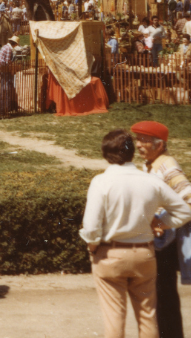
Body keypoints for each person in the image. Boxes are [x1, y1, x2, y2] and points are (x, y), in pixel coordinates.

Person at [81, 129, 191, 338]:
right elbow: (185, 210)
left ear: (105, 154)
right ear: (131, 153)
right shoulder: (151, 181)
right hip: (144, 254)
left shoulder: (101, 182)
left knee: (114, 318)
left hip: (110, 254)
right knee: (147, 316)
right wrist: (162, 223)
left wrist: (93, 246)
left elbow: (91, 226)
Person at [132, 121, 191, 338]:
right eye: (137, 139)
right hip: (158, 243)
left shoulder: (167, 166)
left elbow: (189, 199)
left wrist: (162, 222)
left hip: (164, 244)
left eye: (144, 140)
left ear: (160, 144)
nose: (138, 145)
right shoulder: (152, 164)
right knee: (160, 299)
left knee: (163, 298)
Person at [0, 36, 20, 115]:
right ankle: (4, 106)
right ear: (14, 44)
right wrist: (11, 70)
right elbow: (7, 61)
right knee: (6, 86)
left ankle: (3, 105)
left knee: (5, 85)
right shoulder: (9, 49)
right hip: (3, 68)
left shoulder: (5, 46)